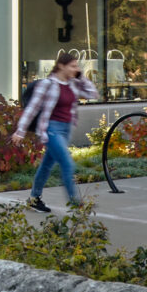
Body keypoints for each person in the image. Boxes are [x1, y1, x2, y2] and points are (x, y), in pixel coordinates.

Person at [14, 49, 99, 213]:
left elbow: (93, 94)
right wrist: (20, 131)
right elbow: (32, 108)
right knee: (67, 163)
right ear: (61, 66)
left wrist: (81, 77)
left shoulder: (72, 84)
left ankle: (34, 199)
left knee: (46, 165)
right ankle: (76, 203)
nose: (76, 69)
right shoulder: (47, 84)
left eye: (77, 66)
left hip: (66, 129)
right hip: (51, 129)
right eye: (72, 66)